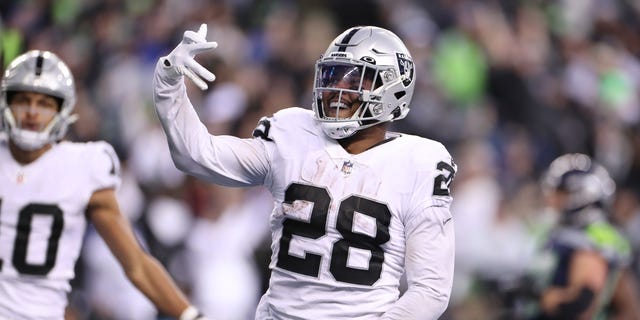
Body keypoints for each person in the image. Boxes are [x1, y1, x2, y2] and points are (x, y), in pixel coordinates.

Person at [154, 24, 457, 319]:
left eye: (353, 81)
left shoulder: (419, 162)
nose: (336, 90)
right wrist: (169, 83)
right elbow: (197, 156)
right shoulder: (293, 133)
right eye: (332, 76)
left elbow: (431, 288)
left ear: (390, 86)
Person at [0, 50, 208, 320]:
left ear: (62, 110)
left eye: (43, 103)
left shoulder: (83, 166)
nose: (31, 112)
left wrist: (189, 315)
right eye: (23, 100)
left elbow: (136, 264)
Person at [533, 153, 639, 320]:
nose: (552, 199)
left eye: (560, 193)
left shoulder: (592, 238)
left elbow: (581, 303)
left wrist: (546, 298)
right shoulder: (562, 232)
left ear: (583, 194)